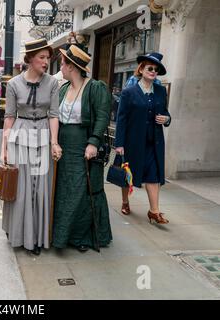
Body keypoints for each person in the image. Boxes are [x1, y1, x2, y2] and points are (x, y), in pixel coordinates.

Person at [1, 39, 60, 255]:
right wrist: (4, 148)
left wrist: (54, 142)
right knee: (21, 189)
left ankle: (36, 237)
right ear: (30, 59)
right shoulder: (13, 84)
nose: (46, 62)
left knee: (40, 189)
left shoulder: (53, 83)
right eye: (42, 57)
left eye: (48, 58)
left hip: (43, 136)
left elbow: (54, 115)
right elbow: (9, 117)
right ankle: (17, 233)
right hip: (20, 135)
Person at [52, 42, 113, 252]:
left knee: (81, 189)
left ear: (71, 66)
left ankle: (80, 236)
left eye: (62, 63)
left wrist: (93, 142)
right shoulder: (63, 88)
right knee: (64, 189)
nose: (60, 66)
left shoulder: (95, 88)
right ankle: (62, 235)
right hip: (63, 145)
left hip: (82, 145)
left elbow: (103, 116)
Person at [115, 52, 171, 224]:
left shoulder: (161, 91)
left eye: (156, 69)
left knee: (154, 176)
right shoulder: (129, 92)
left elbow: (166, 114)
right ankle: (125, 202)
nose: (153, 71)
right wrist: (119, 144)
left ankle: (154, 211)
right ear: (141, 69)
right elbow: (121, 119)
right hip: (133, 142)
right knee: (128, 175)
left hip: (154, 142)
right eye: (150, 68)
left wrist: (167, 119)